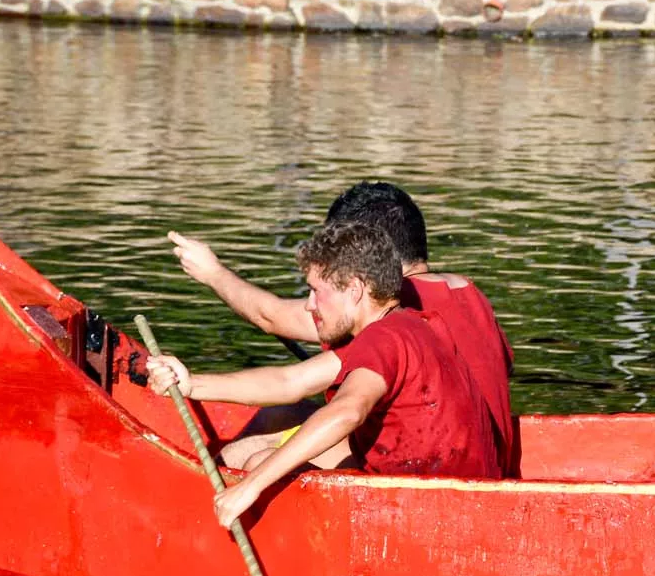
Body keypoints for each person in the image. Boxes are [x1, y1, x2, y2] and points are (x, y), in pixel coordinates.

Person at [148, 216, 501, 530]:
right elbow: (290, 382)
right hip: (450, 492)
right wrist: (190, 383)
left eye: (317, 292)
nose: (309, 305)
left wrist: (250, 486)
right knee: (275, 446)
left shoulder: (384, 339)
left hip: (433, 512)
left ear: (355, 290)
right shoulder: (409, 325)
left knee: (261, 463)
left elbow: (348, 410)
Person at [169, 182, 517, 475]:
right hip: (483, 456)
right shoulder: (470, 292)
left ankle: (205, 506)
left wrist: (213, 273)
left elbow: (271, 319)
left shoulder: (384, 310)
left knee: (261, 452)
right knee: (283, 416)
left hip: (428, 465)